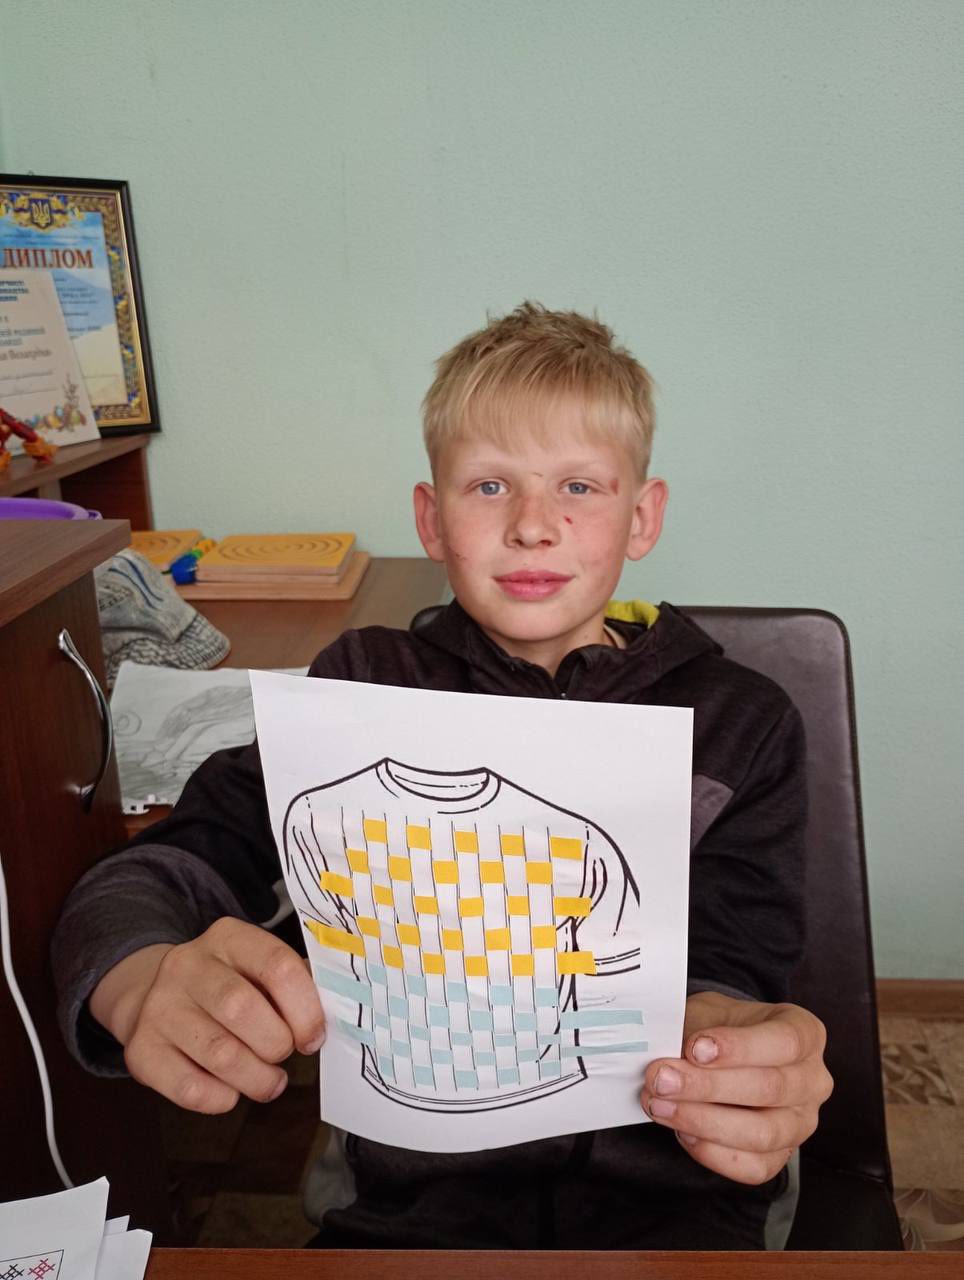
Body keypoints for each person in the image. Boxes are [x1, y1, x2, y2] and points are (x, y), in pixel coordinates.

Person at [54, 302, 832, 1250]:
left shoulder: (742, 721)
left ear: (643, 516)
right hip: (405, 1214)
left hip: (676, 1211)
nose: (534, 526)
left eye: (579, 486)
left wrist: (732, 1045)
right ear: (431, 518)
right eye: (490, 485)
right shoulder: (357, 692)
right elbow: (159, 872)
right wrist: (135, 976)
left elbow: (735, 967)